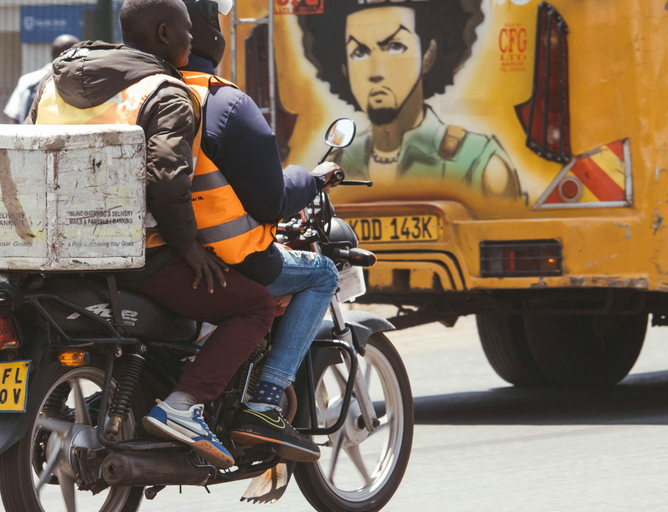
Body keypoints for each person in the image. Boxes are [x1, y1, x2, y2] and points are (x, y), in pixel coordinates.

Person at [27, 0, 275, 470]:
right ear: (164, 34)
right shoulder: (166, 93)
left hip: (55, 253)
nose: (192, 40)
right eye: (186, 31)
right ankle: (183, 407)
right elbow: (166, 179)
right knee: (255, 304)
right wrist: (190, 249)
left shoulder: (52, 85)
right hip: (138, 257)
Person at [178, 0, 340, 462]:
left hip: (163, 252)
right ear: (207, 34)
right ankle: (264, 401)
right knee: (321, 273)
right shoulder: (223, 103)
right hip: (231, 256)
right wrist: (313, 176)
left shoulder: (135, 97)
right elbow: (272, 200)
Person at [299, 0, 521, 198]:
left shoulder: (482, 166)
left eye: (395, 46)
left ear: (428, 54)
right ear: (344, 68)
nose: (376, 71)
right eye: (359, 52)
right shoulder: (338, 164)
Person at [4, 34, 80, 124]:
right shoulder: (81, 81)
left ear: (52, 54)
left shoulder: (28, 80)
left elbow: (15, 116)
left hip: (31, 135)